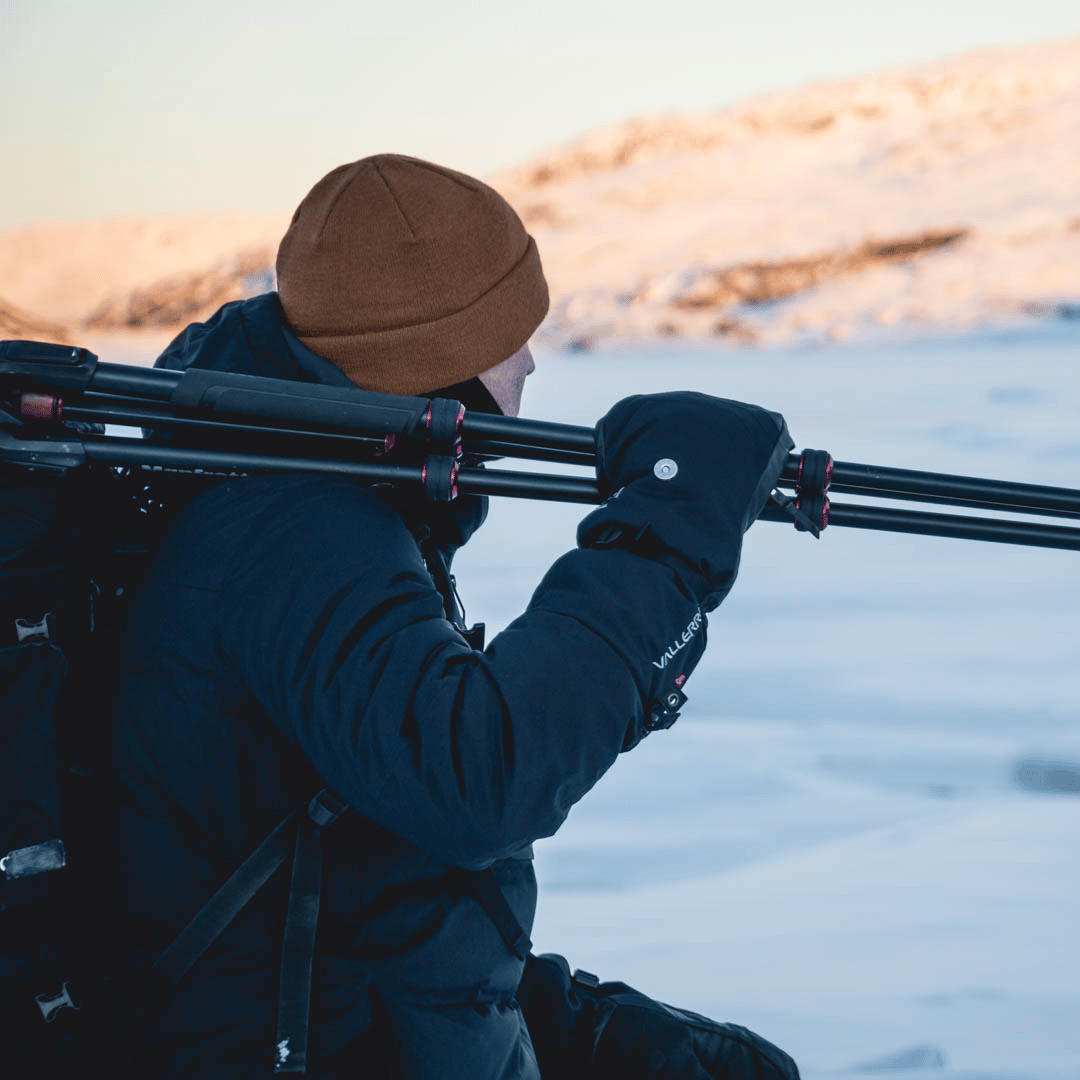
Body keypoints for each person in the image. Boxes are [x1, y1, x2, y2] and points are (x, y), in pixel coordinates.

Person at [109, 154, 799, 1079]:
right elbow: (480, 778)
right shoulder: (299, 531)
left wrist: (563, 1023)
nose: (529, 359)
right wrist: (667, 536)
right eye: (509, 335)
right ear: (439, 362)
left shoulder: (298, 497)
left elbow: (364, 880)